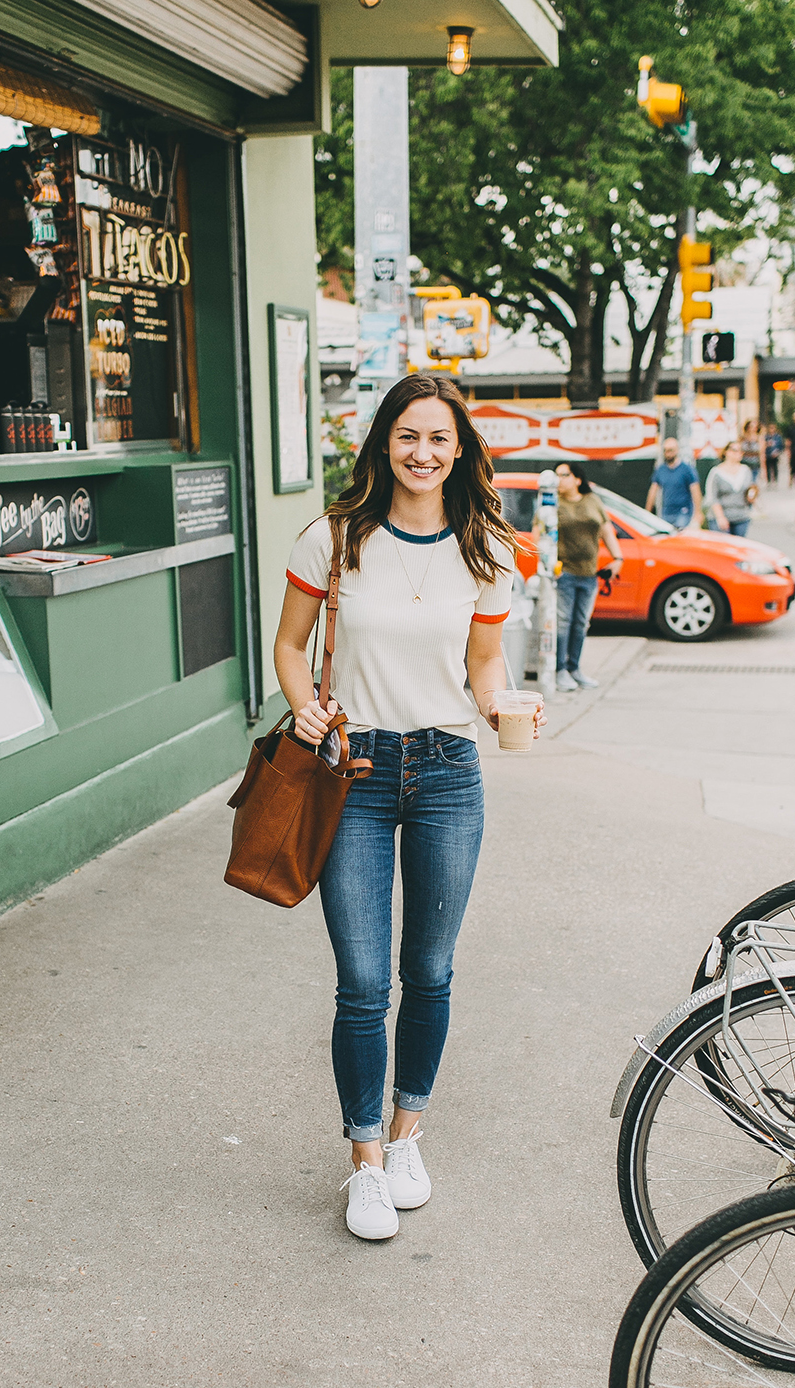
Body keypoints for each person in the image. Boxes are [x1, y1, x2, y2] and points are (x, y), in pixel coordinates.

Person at [272, 374, 545, 1242]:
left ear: (459, 448)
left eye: (438, 438)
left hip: (448, 770)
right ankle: (362, 1163)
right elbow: (289, 644)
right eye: (406, 437)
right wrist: (302, 704)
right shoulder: (335, 538)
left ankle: (406, 1137)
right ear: (383, 443)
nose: (422, 453)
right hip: (351, 769)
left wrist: (508, 703)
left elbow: (485, 666)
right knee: (362, 984)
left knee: (428, 972)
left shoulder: (488, 550)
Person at [554, 461, 623, 692]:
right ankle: (560, 670)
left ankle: (575, 669)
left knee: (581, 623)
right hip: (564, 572)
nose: (559, 480)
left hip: (589, 573)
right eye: (557, 475)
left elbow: (606, 530)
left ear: (577, 479)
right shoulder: (552, 502)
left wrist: (617, 558)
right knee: (563, 622)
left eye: (564, 475)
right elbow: (540, 533)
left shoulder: (592, 500)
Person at [645, 438, 703, 530]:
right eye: (665, 450)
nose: (668, 453)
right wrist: (647, 512)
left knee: (680, 536)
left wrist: (698, 513)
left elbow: (695, 491)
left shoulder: (686, 469)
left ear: (677, 450)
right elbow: (653, 491)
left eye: (670, 450)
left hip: (683, 511)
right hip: (666, 511)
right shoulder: (661, 470)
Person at [704, 440, 756, 536]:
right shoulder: (716, 472)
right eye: (734, 450)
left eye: (740, 451)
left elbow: (750, 490)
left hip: (741, 516)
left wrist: (752, 497)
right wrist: (720, 517)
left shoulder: (745, 471)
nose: (738, 453)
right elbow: (712, 497)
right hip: (722, 517)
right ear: (726, 452)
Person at [740, 419, 765, 483]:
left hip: (754, 465)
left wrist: (763, 470)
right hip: (743, 464)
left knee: (753, 484)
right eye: (751, 426)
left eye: (755, 427)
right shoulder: (742, 438)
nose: (752, 429)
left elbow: (762, 455)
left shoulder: (759, 439)